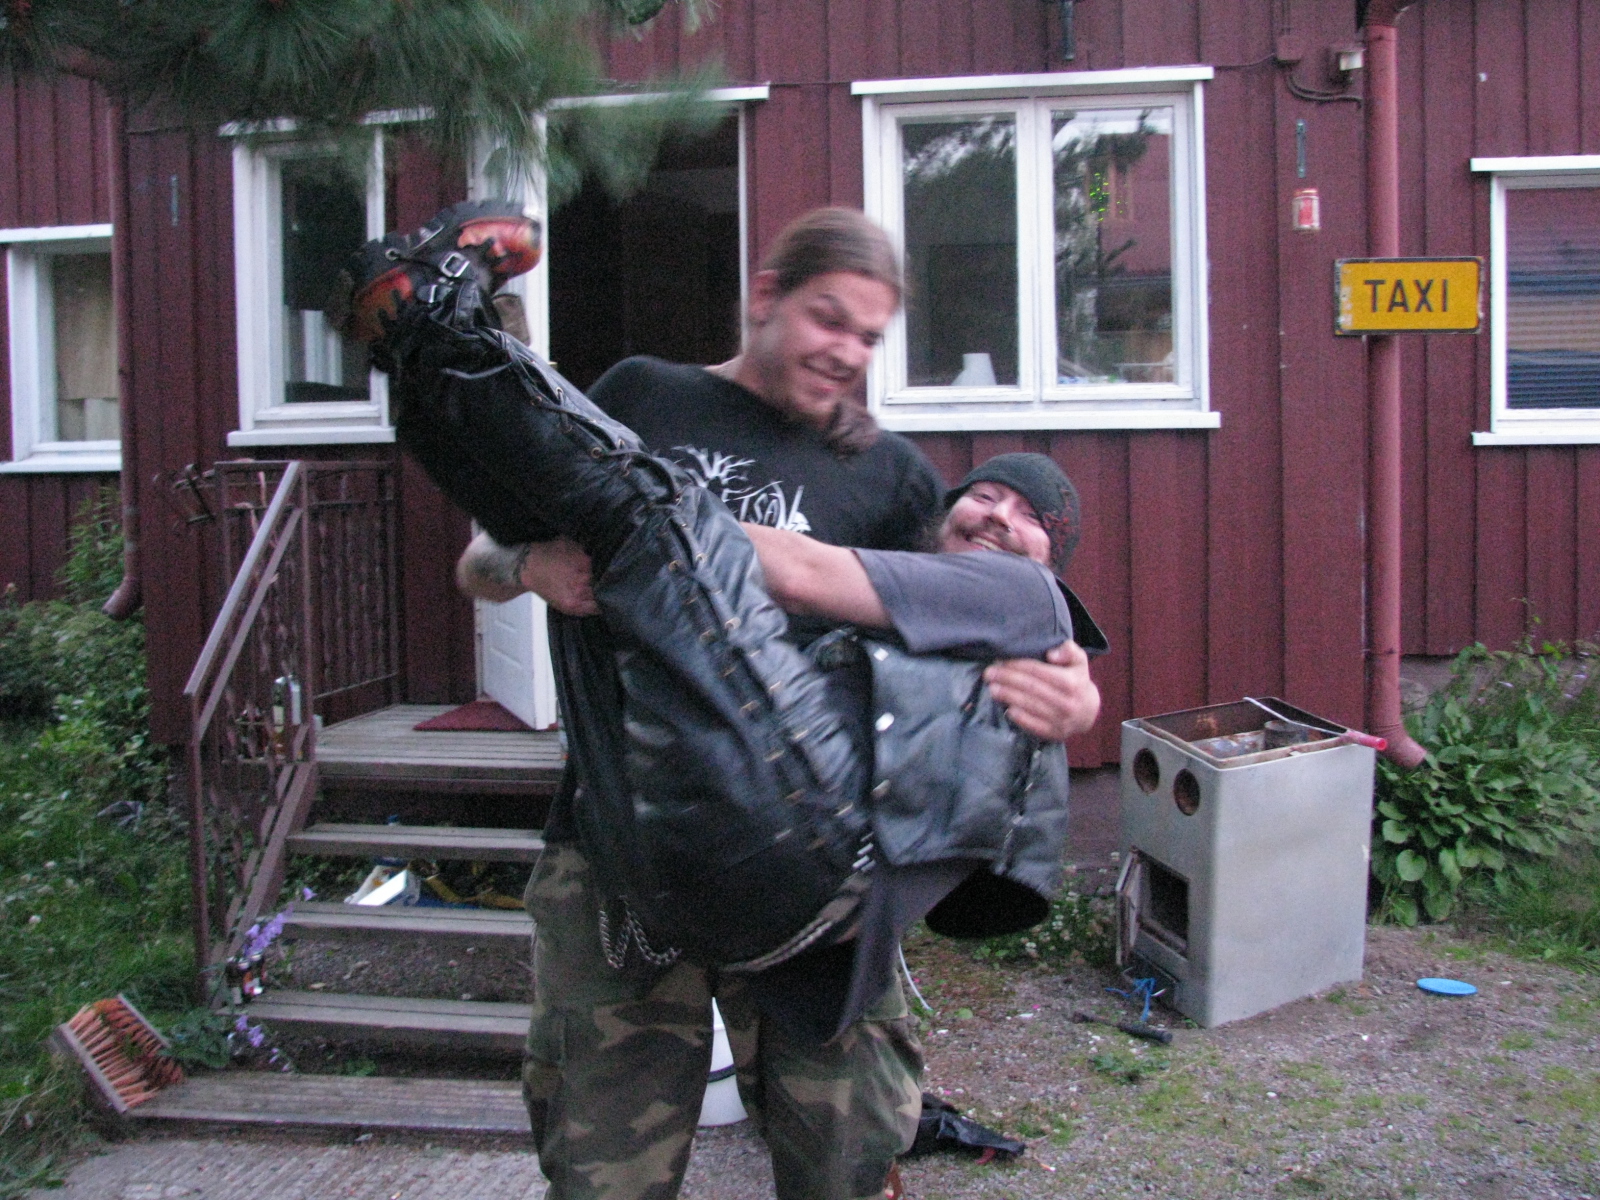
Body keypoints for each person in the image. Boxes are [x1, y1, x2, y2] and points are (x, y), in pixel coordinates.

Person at [334, 201, 1101, 1200]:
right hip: (619, 836)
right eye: (829, 318)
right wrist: (530, 566)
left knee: (846, 1154)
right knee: (603, 1169)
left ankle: (441, 330)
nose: (847, 352)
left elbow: (964, 621)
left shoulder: (894, 479)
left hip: (807, 853)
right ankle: (422, 338)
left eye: (869, 337)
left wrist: (1072, 693)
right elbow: (478, 557)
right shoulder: (643, 395)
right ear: (767, 297)